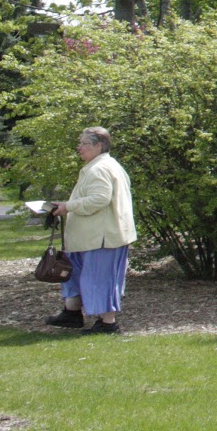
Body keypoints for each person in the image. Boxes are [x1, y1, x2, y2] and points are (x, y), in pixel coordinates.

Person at [46, 127, 135, 334]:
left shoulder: (100, 169)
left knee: (100, 279)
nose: (79, 147)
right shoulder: (99, 166)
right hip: (90, 237)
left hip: (102, 238)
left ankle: (108, 323)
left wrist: (68, 206)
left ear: (99, 146)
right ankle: (72, 313)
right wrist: (65, 206)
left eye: (84, 143)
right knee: (76, 275)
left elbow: (99, 199)